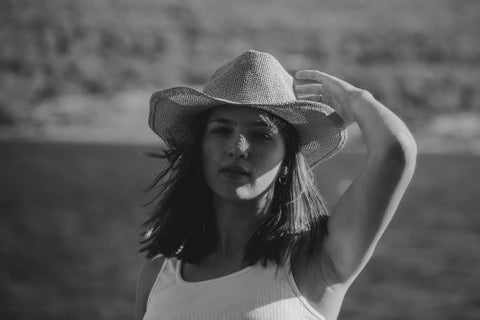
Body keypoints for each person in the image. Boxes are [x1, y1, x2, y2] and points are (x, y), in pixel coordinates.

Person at [135, 50, 417, 320]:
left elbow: (395, 152)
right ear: (199, 149)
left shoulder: (318, 260)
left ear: (288, 161)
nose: (238, 148)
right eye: (221, 130)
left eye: (260, 135)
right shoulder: (158, 275)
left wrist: (357, 98)